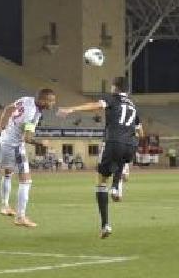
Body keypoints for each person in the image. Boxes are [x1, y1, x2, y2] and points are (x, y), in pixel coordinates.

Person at [58, 77, 140, 238]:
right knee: (122, 160)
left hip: (113, 141)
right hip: (131, 144)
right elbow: (140, 132)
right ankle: (117, 185)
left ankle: (105, 225)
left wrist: (72, 109)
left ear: (115, 88)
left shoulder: (112, 98)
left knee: (100, 180)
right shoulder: (133, 105)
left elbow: (95, 106)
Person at [0, 88, 56, 226]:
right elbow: (28, 138)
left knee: (7, 174)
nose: (53, 104)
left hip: (3, 140)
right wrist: (42, 143)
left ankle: (5, 206)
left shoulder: (25, 99)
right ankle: (20, 216)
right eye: (51, 101)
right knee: (26, 181)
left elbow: (8, 108)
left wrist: (0, 126)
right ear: (42, 100)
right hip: (14, 146)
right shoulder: (32, 113)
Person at [109, 116, 144, 202]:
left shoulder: (116, 113)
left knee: (119, 171)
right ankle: (117, 192)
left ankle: (116, 190)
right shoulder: (134, 115)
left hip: (117, 145)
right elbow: (141, 134)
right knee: (121, 173)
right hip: (128, 146)